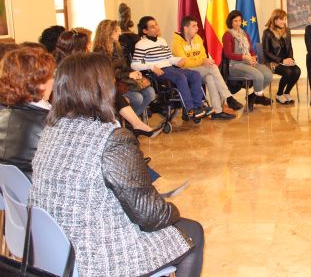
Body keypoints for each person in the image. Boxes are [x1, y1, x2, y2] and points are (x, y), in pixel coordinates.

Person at [29, 53, 204, 276]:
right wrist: (172, 211)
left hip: (54, 247)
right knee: (193, 233)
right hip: (98, 255)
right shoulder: (111, 138)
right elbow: (150, 215)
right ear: (102, 88)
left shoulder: (51, 130)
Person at [132, 16, 209, 121]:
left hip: (171, 69)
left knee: (195, 74)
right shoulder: (141, 45)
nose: (157, 27)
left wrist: (178, 60)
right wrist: (151, 67)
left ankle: (198, 107)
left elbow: (169, 58)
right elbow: (134, 64)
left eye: (156, 24)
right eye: (152, 26)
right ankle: (190, 110)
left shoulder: (162, 41)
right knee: (181, 77)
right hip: (159, 72)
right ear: (145, 31)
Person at [0, 47, 55, 179]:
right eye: (51, 76)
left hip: (11, 196)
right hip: (42, 194)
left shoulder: (3, 115)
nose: (54, 81)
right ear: (40, 84)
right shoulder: (52, 125)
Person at [172, 15, 241, 119]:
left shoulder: (198, 39)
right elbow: (184, 63)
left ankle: (217, 111)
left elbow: (203, 56)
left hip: (199, 70)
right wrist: (201, 61)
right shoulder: (176, 43)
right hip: (185, 72)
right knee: (212, 68)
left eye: (197, 26)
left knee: (211, 78)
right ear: (185, 28)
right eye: (194, 26)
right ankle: (228, 97)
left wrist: (202, 61)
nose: (197, 28)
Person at [223, 10, 272, 107]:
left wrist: (253, 58)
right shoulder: (227, 35)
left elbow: (251, 50)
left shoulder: (245, 34)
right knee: (258, 76)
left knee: (268, 74)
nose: (238, 23)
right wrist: (244, 57)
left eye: (239, 21)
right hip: (235, 65)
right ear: (230, 22)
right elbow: (228, 54)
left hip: (248, 62)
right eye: (235, 21)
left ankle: (253, 96)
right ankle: (258, 97)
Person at [262, 9, 301, 105]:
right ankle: (279, 94)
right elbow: (266, 52)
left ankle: (287, 92)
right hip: (272, 62)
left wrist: (291, 59)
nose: (284, 21)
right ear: (275, 20)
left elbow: (290, 47)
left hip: (285, 61)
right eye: (282, 19)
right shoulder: (267, 32)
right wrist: (281, 60)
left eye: (285, 19)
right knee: (288, 71)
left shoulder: (287, 30)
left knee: (296, 71)